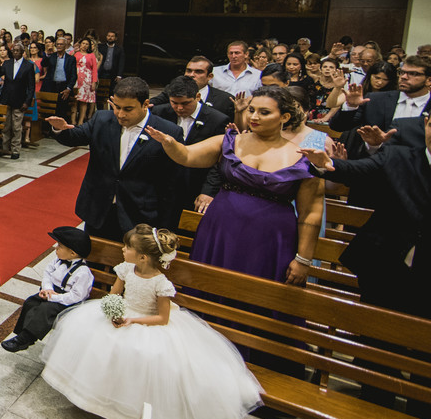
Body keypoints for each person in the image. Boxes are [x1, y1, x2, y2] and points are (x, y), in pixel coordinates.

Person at [40, 226, 262, 419]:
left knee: (143, 357)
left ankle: (130, 413)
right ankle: (98, 400)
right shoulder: (126, 269)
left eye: (127, 247)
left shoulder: (161, 284)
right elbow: (114, 294)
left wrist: (132, 320)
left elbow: (162, 318)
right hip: (123, 314)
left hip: (148, 322)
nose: (123, 250)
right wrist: (112, 311)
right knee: (97, 340)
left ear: (143, 257)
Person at [145, 85, 324, 286]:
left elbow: (311, 213)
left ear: (285, 117)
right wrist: (170, 143)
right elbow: (187, 156)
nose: (254, 117)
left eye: (264, 112)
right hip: (221, 228)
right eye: (251, 110)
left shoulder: (304, 157)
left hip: (271, 236)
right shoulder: (230, 141)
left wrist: (303, 259)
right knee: (210, 286)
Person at [300, 114, 431, 318]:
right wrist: (324, 163)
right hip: (385, 261)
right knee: (375, 325)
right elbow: (358, 170)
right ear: (425, 125)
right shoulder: (400, 156)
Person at [47, 77, 182, 241]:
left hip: (139, 214)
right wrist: (60, 129)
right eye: (117, 107)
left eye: (128, 109)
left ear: (145, 104)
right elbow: (76, 136)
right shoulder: (102, 119)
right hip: (99, 208)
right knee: (93, 261)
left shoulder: (168, 131)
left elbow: (171, 184)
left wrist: (165, 227)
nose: (121, 114)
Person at [1, 227, 93, 353]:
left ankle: (25, 339)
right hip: (51, 292)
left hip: (66, 301)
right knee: (30, 302)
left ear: (72, 253)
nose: (56, 248)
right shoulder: (58, 261)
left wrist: (53, 297)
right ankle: (21, 335)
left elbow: (76, 296)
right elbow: (47, 274)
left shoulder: (83, 273)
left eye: (60, 246)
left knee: (46, 309)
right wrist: (47, 289)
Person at [150, 76, 229, 219]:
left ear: (197, 96)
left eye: (185, 103)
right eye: (174, 103)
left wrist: (208, 191)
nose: (179, 108)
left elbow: (220, 161)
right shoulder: (159, 113)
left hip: (194, 186)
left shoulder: (217, 120)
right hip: (161, 187)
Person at [0, 43, 34, 160]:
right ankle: (5, 148)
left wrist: (27, 101)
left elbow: (31, 86)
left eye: (18, 51)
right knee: (6, 126)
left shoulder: (28, 66)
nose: (15, 52)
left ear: (22, 52)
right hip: (6, 98)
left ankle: (15, 150)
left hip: (20, 99)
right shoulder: (7, 63)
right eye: (14, 51)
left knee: (17, 127)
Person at [71, 37, 99, 126]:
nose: (85, 45)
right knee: (74, 101)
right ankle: (73, 121)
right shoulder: (75, 53)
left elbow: (94, 70)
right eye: (83, 43)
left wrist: (94, 82)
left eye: (87, 44)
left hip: (87, 80)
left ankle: (80, 122)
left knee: (83, 102)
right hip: (76, 78)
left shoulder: (92, 56)